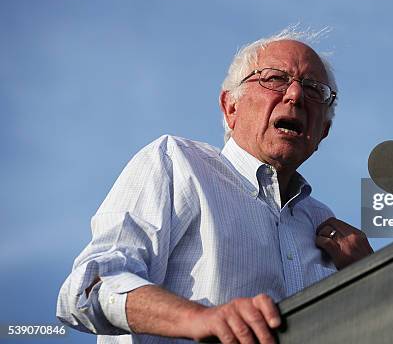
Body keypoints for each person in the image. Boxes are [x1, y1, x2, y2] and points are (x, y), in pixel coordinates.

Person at [57, 27, 373, 344]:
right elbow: (88, 289)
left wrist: (373, 281)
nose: (295, 95)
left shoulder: (328, 230)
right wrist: (200, 318)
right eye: (275, 79)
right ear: (230, 107)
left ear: (324, 131)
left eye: (313, 89)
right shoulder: (177, 163)